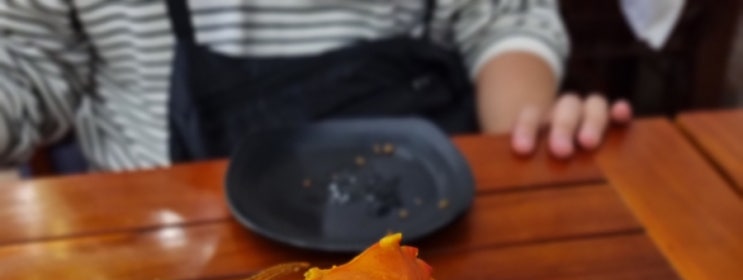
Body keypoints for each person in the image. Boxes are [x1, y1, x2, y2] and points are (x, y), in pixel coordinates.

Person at [0, 1, 631, 173]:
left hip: (420, 223)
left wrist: (527, 132)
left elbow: (501, 18)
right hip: (160, 240)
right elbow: (29, 61)